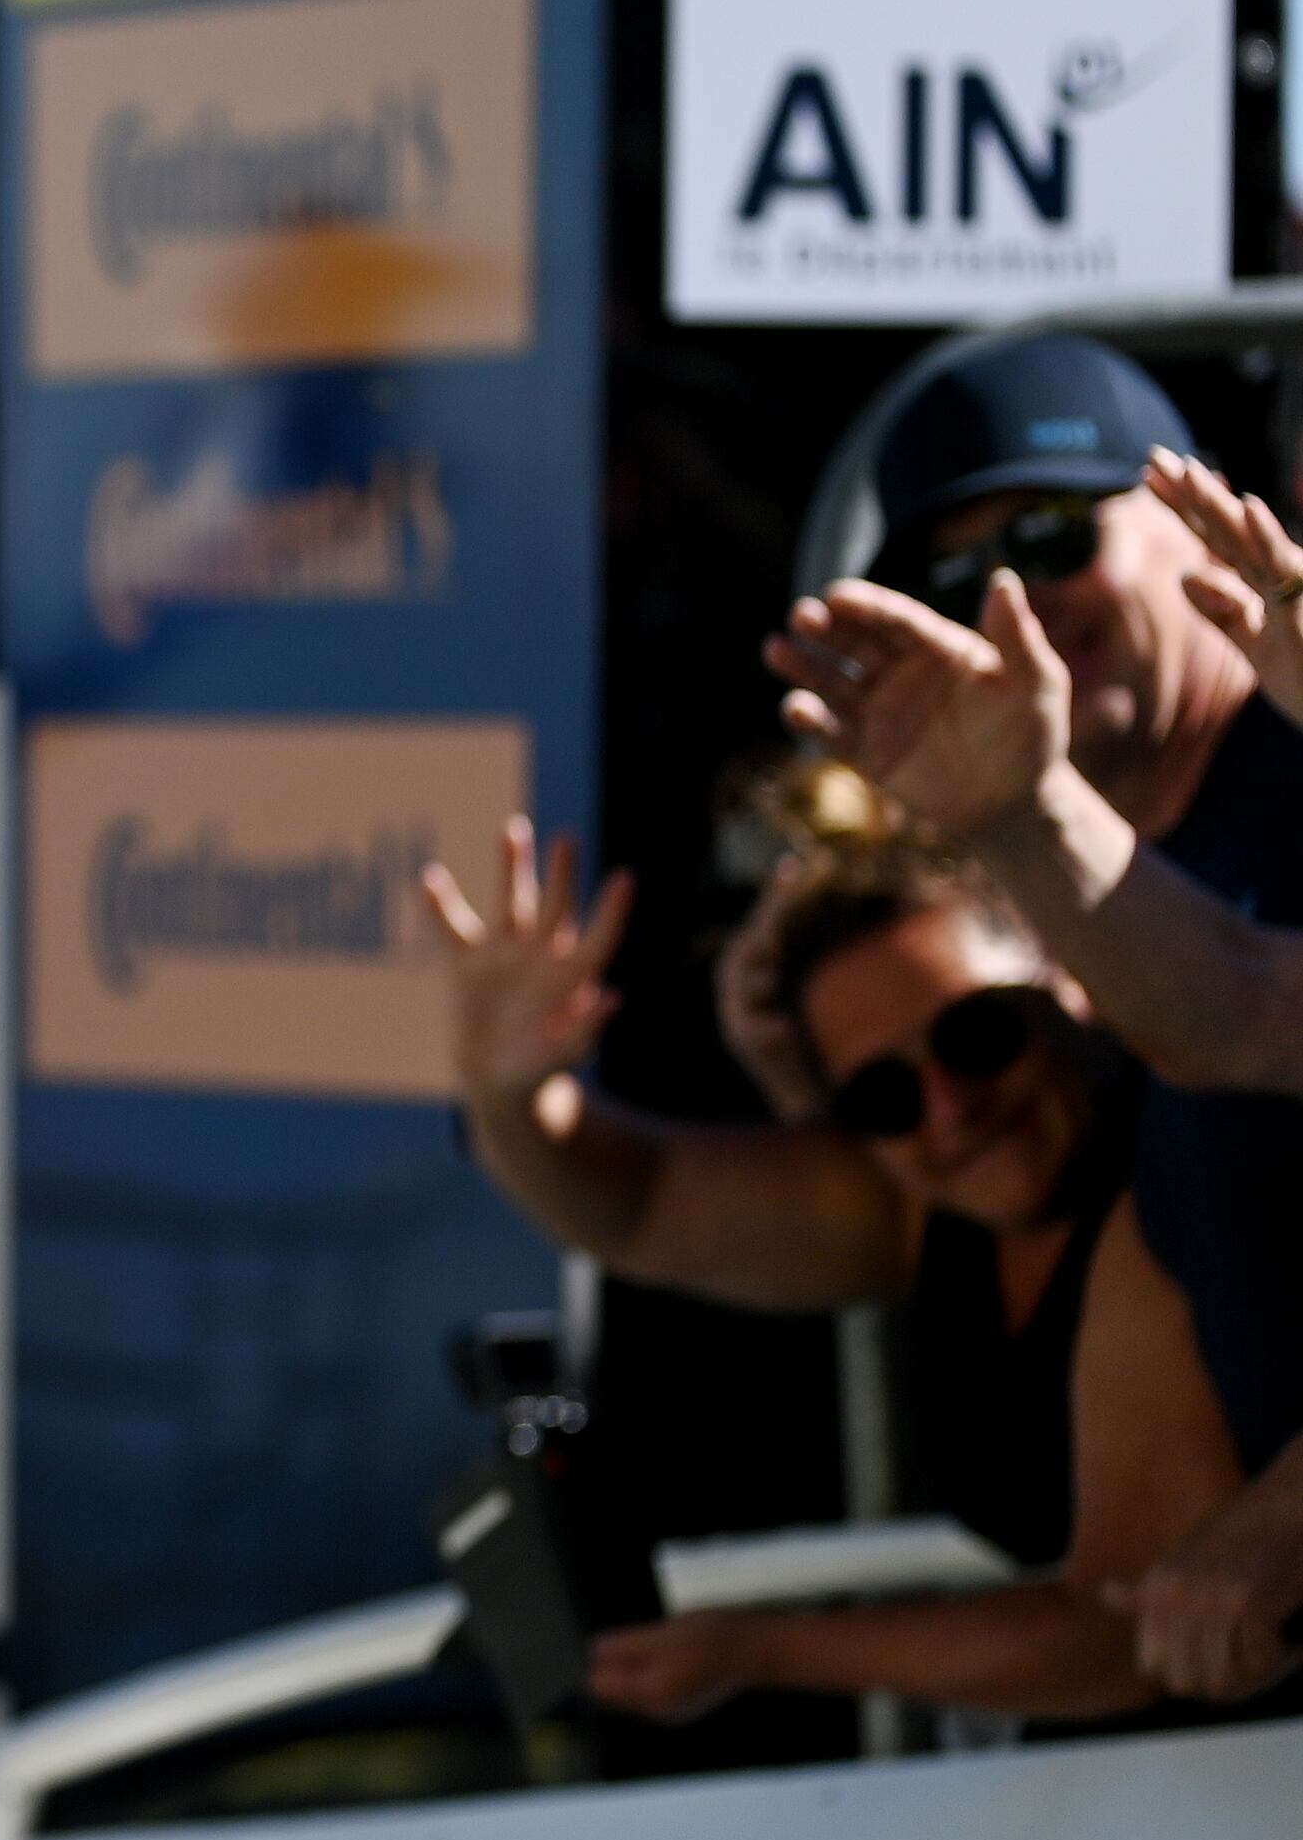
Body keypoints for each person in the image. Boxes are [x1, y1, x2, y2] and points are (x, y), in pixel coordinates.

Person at [419, 810, 1239, 1722]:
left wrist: (757, 1647)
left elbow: (1116, 1634)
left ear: (1066, 982)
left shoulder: (1166, 1193)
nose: (949, 1107)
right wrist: (510, 1097)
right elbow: (637, 1207)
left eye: (978, 1034)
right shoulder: (919, 1206)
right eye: (882, 1095)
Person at [762, 339, 1303, 1698]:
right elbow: (1231, 1008)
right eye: (960, 575)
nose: (1020, 605)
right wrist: (1019, 815)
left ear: (1199, 515)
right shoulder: (1121, 858)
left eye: (1057, 537)